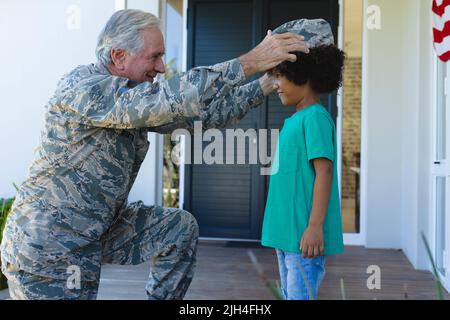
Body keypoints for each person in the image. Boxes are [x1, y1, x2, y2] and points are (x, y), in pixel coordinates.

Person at [0, 9, 309, 300]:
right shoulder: (82, 88)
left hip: (97, 230)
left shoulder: (136, 99)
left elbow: (206, 115)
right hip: (47, 244)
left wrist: (267, 82)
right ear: (118, 56)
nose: (161, 67)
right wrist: (251, 61)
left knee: (178, 227)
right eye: (155, 56)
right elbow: (166, 98)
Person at [261, 19, 345, 300]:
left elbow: (325, 172)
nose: (275, 84)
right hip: (287, 235)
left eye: (279, 76)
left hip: (304, 238)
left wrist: (315, 227)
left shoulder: (316, 119)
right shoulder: (295, 120)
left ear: (303, 73)